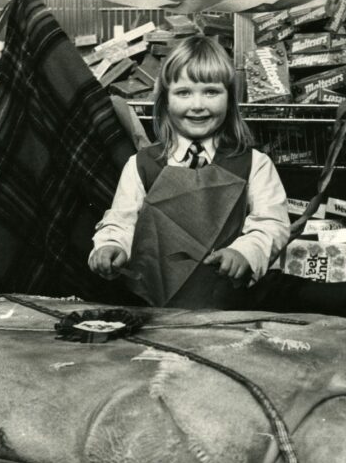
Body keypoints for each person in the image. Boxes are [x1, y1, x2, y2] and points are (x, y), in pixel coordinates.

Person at [88, 35, 290, 309]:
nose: (198, 105)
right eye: (183, 93)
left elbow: (271, 223)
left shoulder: (255, 164)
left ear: (230, 99)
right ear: (166, 101)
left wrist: (245, 251)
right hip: (155, 311)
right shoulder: (141, 165)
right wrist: (112, 246)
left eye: (211, 91)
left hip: (229, 309)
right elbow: (121, 222)